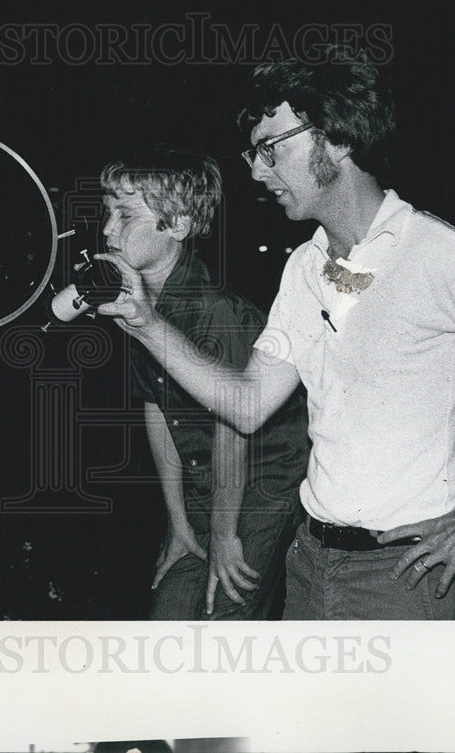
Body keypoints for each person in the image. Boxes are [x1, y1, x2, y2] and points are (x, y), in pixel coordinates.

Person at [97, 57, 455, 620]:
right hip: (310, 564)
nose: (258, 172)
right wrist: (145, 322)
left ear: (335, 140)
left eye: (271, 149)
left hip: (406, 573)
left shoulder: (434, 248)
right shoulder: (306, 266)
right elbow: (245, 406)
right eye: (252, 154)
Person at [98, 149, 309, 620]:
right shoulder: (139, 306)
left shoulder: (216, 310)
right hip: (205, 482)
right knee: (168, 616)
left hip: (261, 485)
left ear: (179, 225)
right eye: (107, 213)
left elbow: (235, 426)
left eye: (125, 215)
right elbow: (157, 410)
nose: (108, 229)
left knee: (223, 619)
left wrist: (223, 532)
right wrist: (176, 522)